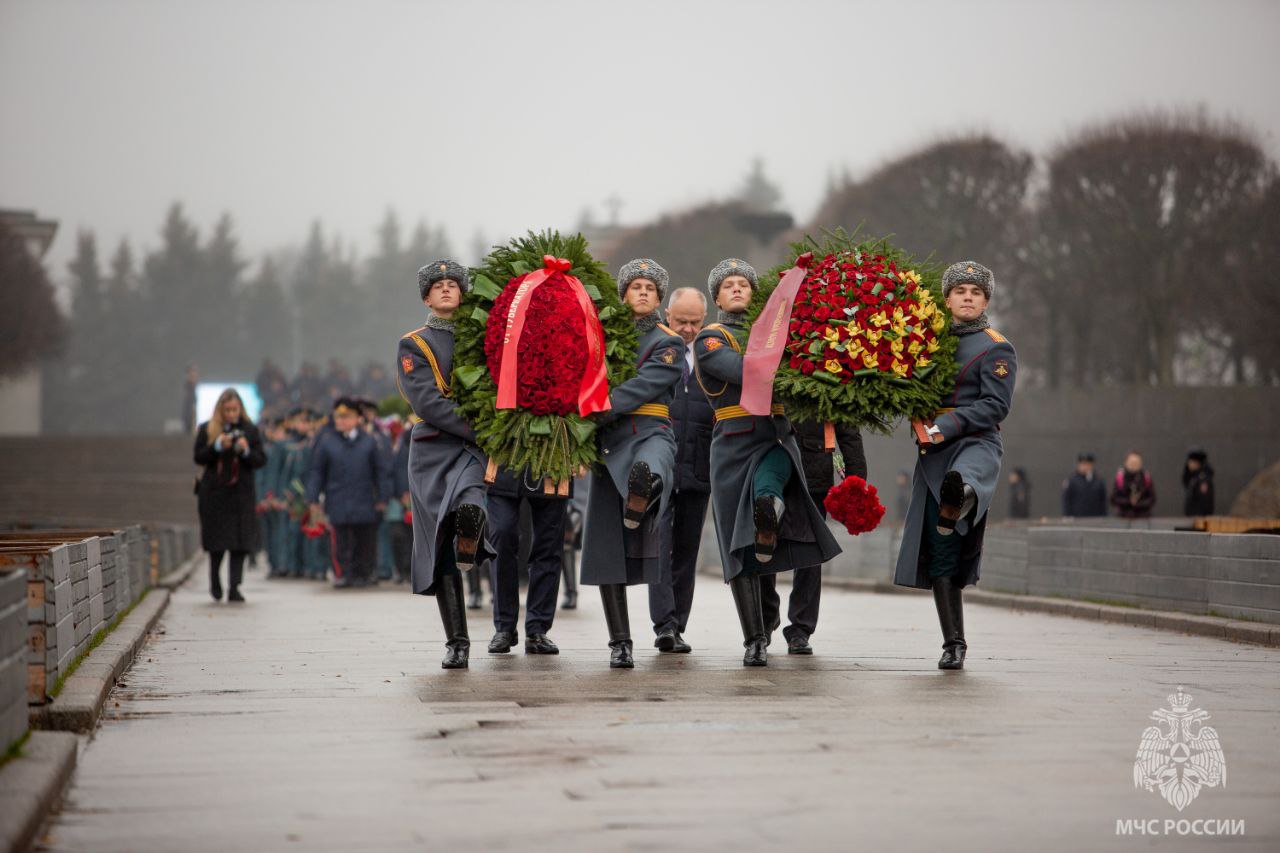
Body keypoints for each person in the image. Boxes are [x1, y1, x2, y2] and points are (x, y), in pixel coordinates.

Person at [694, 258, 841, 667]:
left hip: (773, 437)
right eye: (729, 285)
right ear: (717, 296)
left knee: (770, 485)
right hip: (731, 445)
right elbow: (739, 370)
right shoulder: (711, 337)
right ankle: (755, 638)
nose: (738, 289)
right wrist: (795, 369)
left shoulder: (779, 333)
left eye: (744, 283)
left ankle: (768, 512)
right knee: (738, 548)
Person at [892, 261, 1016, 670]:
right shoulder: (926, 342)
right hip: (933, 448)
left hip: (975, 440)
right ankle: (954, 643)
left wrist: (946, 424)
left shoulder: (996, 346)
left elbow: (995, 405)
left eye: (976, 292)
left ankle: (958, 497)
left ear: (985, 300)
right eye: (960, 291)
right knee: (943, 552)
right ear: (946, 299)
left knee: (964, 480)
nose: (967, 297)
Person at [580, 258, 685, 668]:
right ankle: (619, 642)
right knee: (608, 548)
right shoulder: (601, 338)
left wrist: (595, 408)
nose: (642, 292)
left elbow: (647, 385)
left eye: (650, 288)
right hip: (607, 445)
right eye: (635, 286)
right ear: (624, 294)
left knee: (653, 463)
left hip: (648, 430)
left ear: (659, 298)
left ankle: (645, 488)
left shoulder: (668, 341)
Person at [398, 259, 496, 669]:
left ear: (462, 292)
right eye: (436, 285)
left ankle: (470, 538)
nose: (444, 289)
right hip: (432, 450)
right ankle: (457, 641)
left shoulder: (484, 338)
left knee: (470, 503)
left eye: (451, 284)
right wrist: (482, 431)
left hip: (471, 452)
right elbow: (427, 402)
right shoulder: (413, 344)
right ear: (426, 297)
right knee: (439, 545)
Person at [761, 417, 865, 655]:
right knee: (764, 545)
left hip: (813, 468)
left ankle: (800, 629)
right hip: (770, 461)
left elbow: (848, 426)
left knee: (809, 554)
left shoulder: (832, 377)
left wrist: (856, 477)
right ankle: (765, 618)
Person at [648, 287, 713, 655]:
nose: (688, 329)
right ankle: (664, 625)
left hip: (699, 464)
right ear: (667, 315)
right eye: (681, 321)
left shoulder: (711, 355)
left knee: (687, 551)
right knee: (660, 546)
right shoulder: (657, 351)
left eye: (695, 322)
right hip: (662, 464)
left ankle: (679, 625)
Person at [306, 397, 393, 588]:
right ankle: (343, 574)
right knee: (340, 541)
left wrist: (383, 497)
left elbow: (381, 471)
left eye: (346, 417)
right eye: (338, 416)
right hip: (337, 499)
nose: (341, 421)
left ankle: (363, 573)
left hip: (364, 500)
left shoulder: (369, 441)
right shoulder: (327, 442)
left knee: (365, 540)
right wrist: (312, 497)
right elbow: (317, 471)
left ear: (357, 419)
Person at [194, 387, 267, 602]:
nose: (231, 414)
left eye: (235, 409)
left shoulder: (250, 430)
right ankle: (215, 581)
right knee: (217, 542)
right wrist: (217, 446)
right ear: (220, 410)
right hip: (215, 493)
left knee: (240, 542)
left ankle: (235, 587)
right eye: (227, 410)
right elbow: (198, 457)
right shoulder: (208, 429)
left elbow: (260, 459)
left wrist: (244, 450)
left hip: (241, 494)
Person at [485, 467, 569, 655]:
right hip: (505, 457)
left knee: (548, 545)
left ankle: (537, 629)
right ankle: (504, 626)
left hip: (554, 458)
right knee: (502, 534)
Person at [1111, 451, 1156, 519]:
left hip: (1143, 517)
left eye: (1136, 463)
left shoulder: (1146, 478)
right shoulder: (1120, 478)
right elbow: (1113, 499)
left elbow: (1152, 499)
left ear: (1141, 464)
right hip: (1123, 517)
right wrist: (1129, 502)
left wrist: (1138, 503)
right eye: (1131, 462)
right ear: (1126, 463)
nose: (1134, 465)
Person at [1061, 452, 1107, 517]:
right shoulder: (1071, 481)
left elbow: (1103, 502)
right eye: (1083, 464)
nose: (1085, 467)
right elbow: (1066, 501)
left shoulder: (1098, 481)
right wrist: (1067, 516)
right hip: (1077, 518)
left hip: (1095, 519)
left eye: (1088, 464)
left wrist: (1103, 516)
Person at [1182, 447, 1215, 517]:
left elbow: (1205, 502)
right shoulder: (1194, 478)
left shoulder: (1202, 480)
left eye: (1191, 462)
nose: (1189, 464)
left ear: (1197, 463)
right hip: (1193, 518)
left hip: (1199, 520)